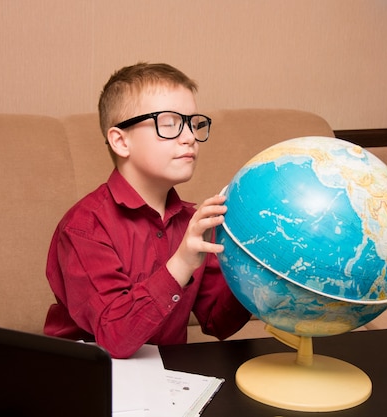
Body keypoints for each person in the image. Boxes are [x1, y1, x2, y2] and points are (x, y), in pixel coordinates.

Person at [44, 62, 251, 358]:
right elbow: (115, 338)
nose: (190, 136)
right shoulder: (84, 227)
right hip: (88, 380)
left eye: (194, 123)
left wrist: (256, 272)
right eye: (169, 123)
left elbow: (217, 321)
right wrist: (181, 262)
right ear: (121, 141)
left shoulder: (194, 223)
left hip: (168, 383)